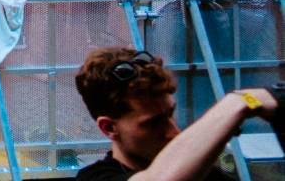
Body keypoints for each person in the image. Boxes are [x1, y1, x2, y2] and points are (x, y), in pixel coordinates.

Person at [73, 46, 276, 180]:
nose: (174, 132)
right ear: (109, 127)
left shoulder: (207, 175)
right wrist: (237, 102)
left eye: (171, 114)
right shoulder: (95, 177)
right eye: (153, 123)